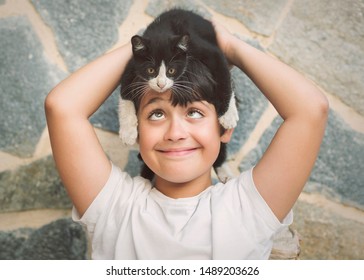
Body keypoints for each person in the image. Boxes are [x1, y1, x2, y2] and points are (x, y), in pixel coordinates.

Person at [44, 20, 328, 259]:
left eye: (194, 112)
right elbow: (62, 107)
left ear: (225, 127)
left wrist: (227, 46)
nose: (175, 132)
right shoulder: (115, 208)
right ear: (135, 129)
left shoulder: (248, 207)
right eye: (156, 114)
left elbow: (310, 110)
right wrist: (147, 47)